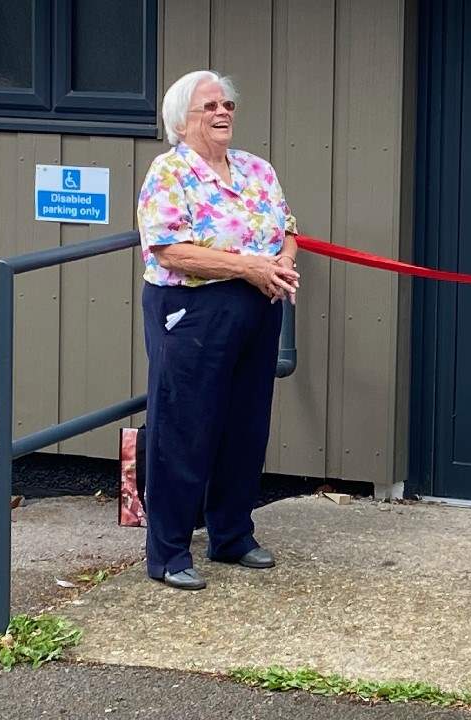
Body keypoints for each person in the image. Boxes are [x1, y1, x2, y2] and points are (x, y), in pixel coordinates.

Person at [136, 70, 301, 591]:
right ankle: (168, 552)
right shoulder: (169, 173)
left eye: (227, 103)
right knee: (184, 427)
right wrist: (251, 267)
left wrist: (281, 265)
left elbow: (288, 229)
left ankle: (231, 534)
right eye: (209, 106)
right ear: (181, 120)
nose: (223, 112)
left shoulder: (256, 169)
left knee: (245, 424)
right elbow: (171, 250)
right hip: (192, 308)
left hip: (258, 305)